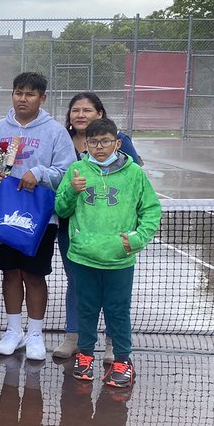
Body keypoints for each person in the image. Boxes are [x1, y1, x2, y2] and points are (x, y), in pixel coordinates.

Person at [55, 117, 162, 388]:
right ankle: (86, 356)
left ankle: (122, 361)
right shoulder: (77, 170)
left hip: (119, 258)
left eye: (105, 141)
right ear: (85, 144)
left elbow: (150, 209)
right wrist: (70, 191)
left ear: (116, 142)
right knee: (86, 309)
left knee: (118, 311)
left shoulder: (134, 173)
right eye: (93, 141)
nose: (99, 147)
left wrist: (136, 240)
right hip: (83, 256)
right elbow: (61, 208)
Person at [0, 72, 76, 361]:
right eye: (18, 92)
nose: (22, 98)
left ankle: (35, 333)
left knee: (34, 275)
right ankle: (13, 331)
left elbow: (67, 172)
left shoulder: (55, 131)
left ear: (42, 98)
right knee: (10, 273)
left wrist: (38, 173)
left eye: (29, 94)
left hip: (39, 219)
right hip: (3, 216)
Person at [54, 92, 144, 361]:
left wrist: (135, 232)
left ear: (100, 114)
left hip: (112, 232)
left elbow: (134, 181)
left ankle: (112, 343)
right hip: (73, 228)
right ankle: (75, 337)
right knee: (78, 284)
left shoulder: (120, 141)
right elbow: (61, 190)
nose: (80, 115)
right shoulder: (62, 139)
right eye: (75, 110)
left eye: (87, 110)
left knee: (113, 293)